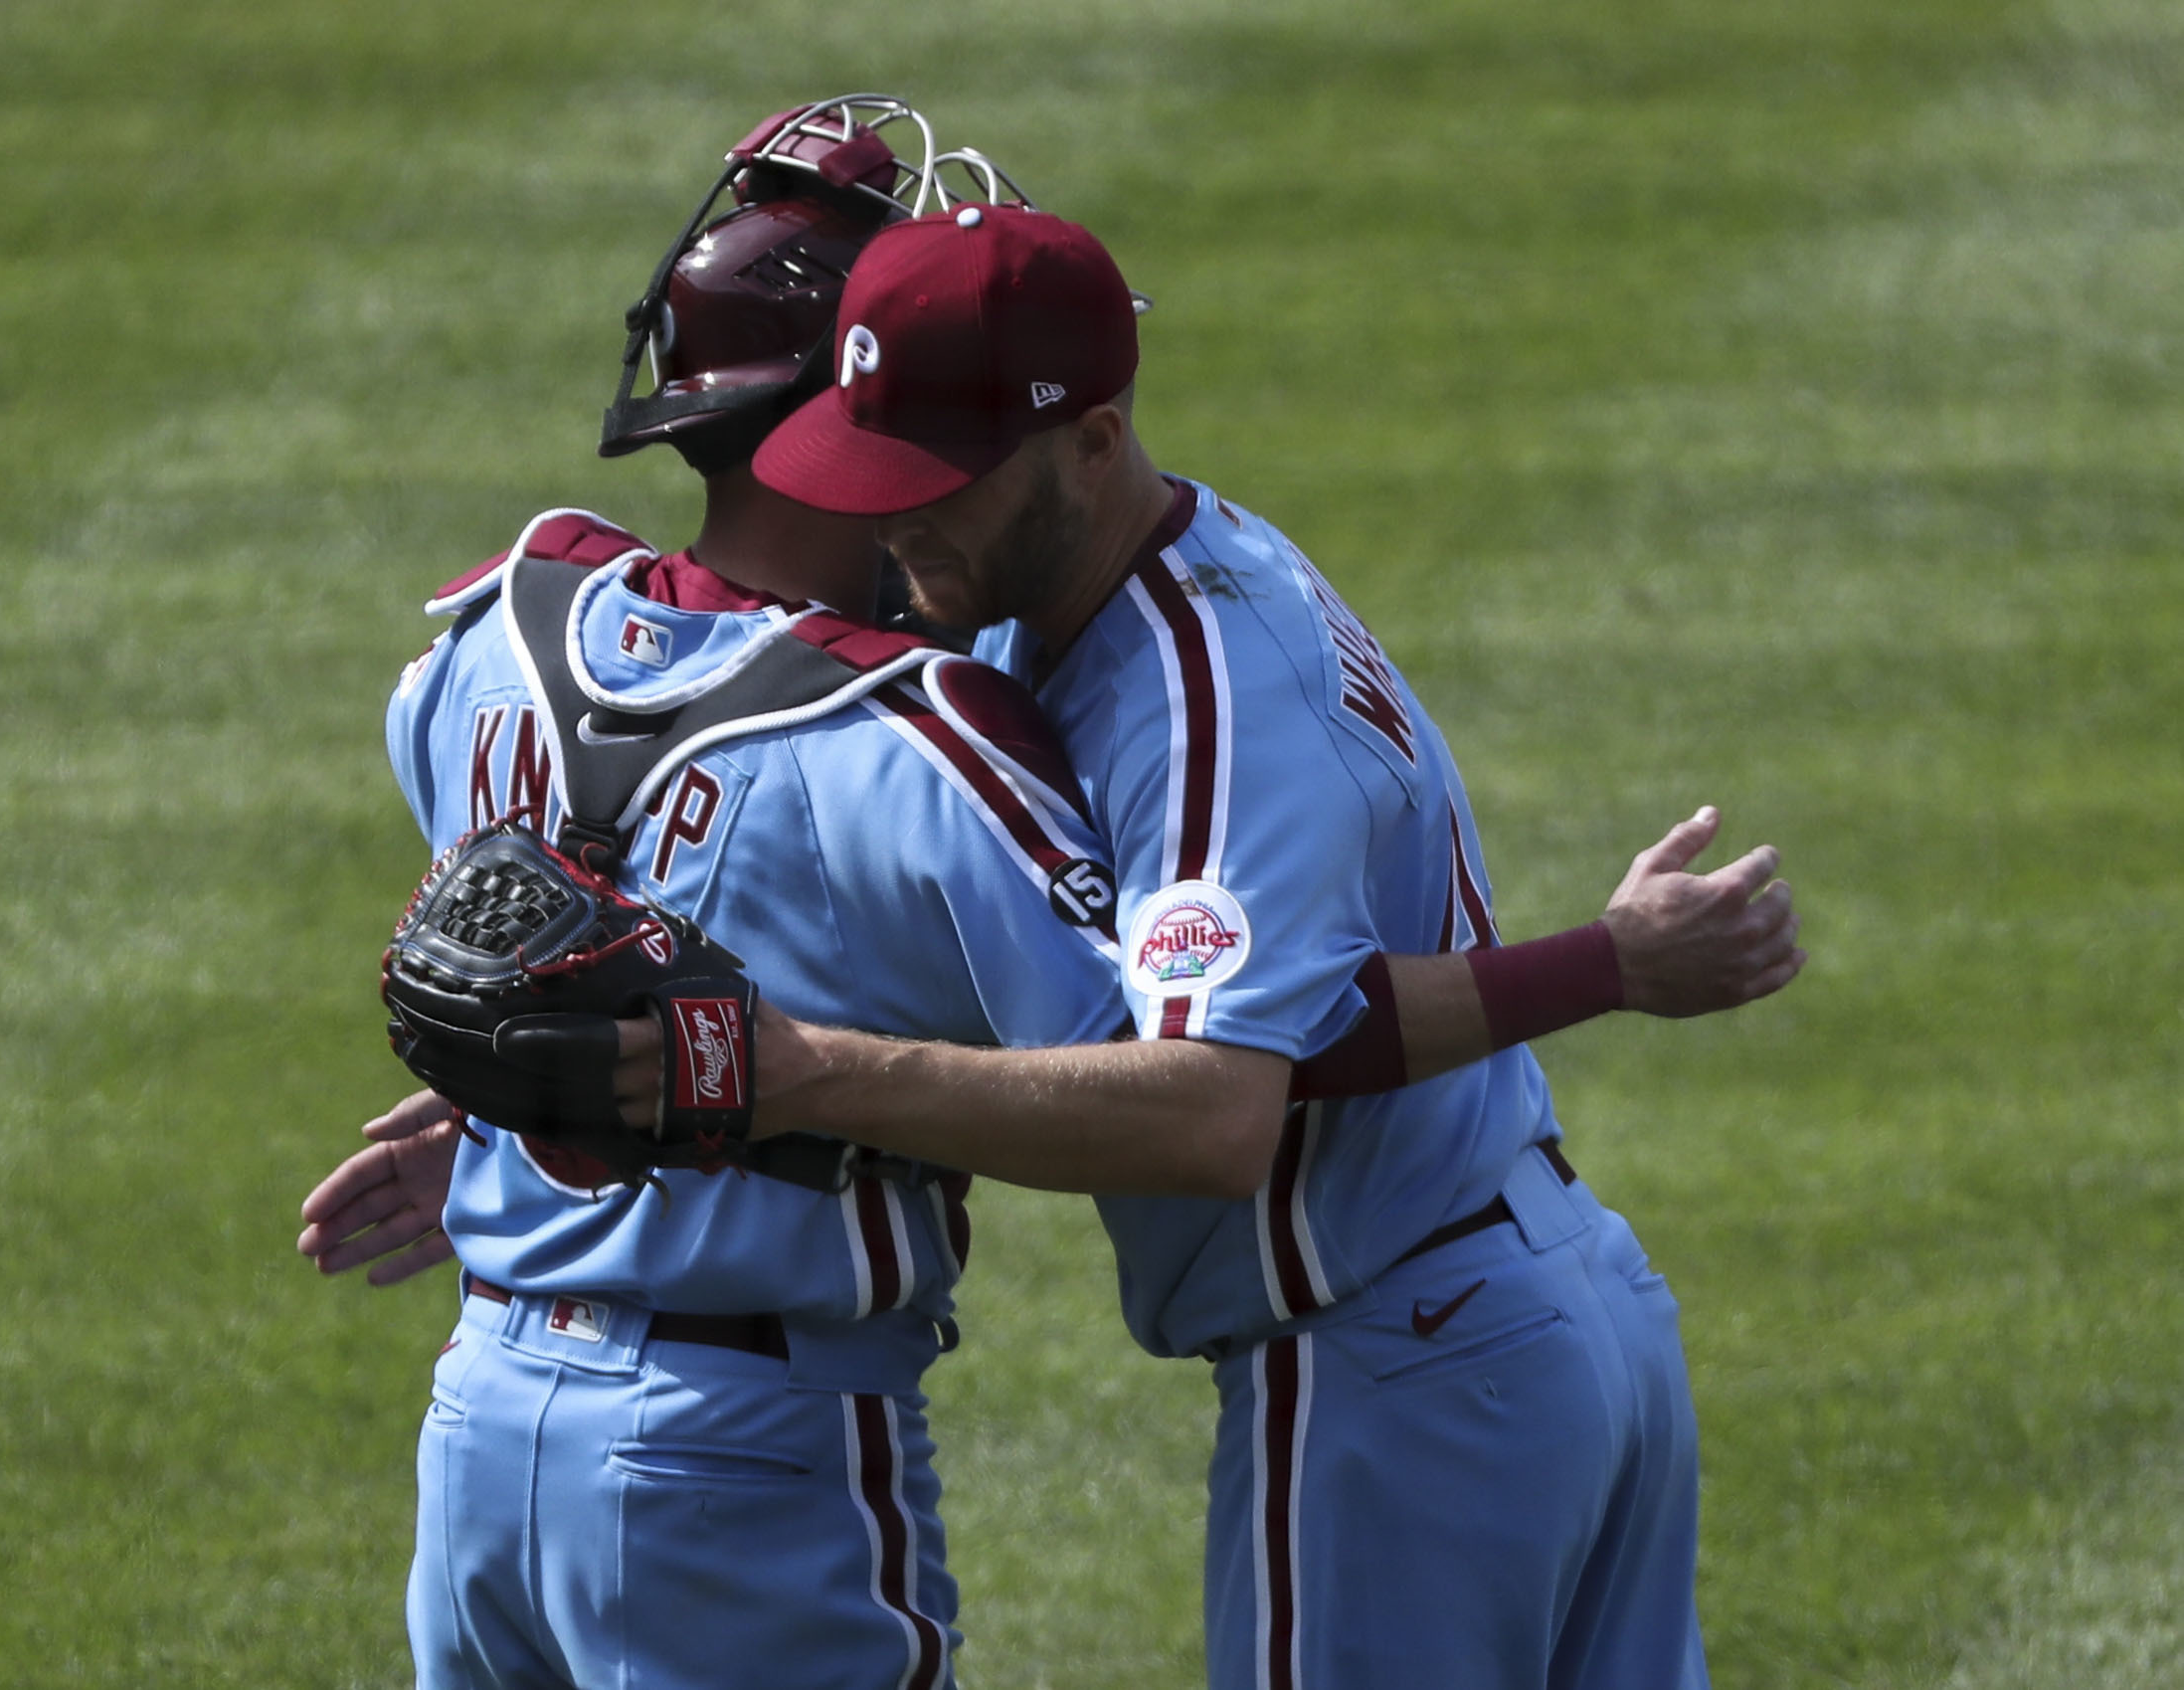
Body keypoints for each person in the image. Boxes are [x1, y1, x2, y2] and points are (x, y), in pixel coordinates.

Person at [728, 202, 1802, 1687]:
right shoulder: (1081, 592)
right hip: (1514, 1315)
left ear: (1092, 444)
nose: (894, 518)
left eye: (943, 480)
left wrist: (793, 1076)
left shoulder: (1199, 694)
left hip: (1401, 1362)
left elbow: (1217, 1100)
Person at [306, 97, 1136, 1690]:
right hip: (743, 1462)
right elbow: (1156, 1099)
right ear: (859, 417)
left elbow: (539, 929)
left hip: (481, 1426)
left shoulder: (487, 644)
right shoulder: (919, 744)